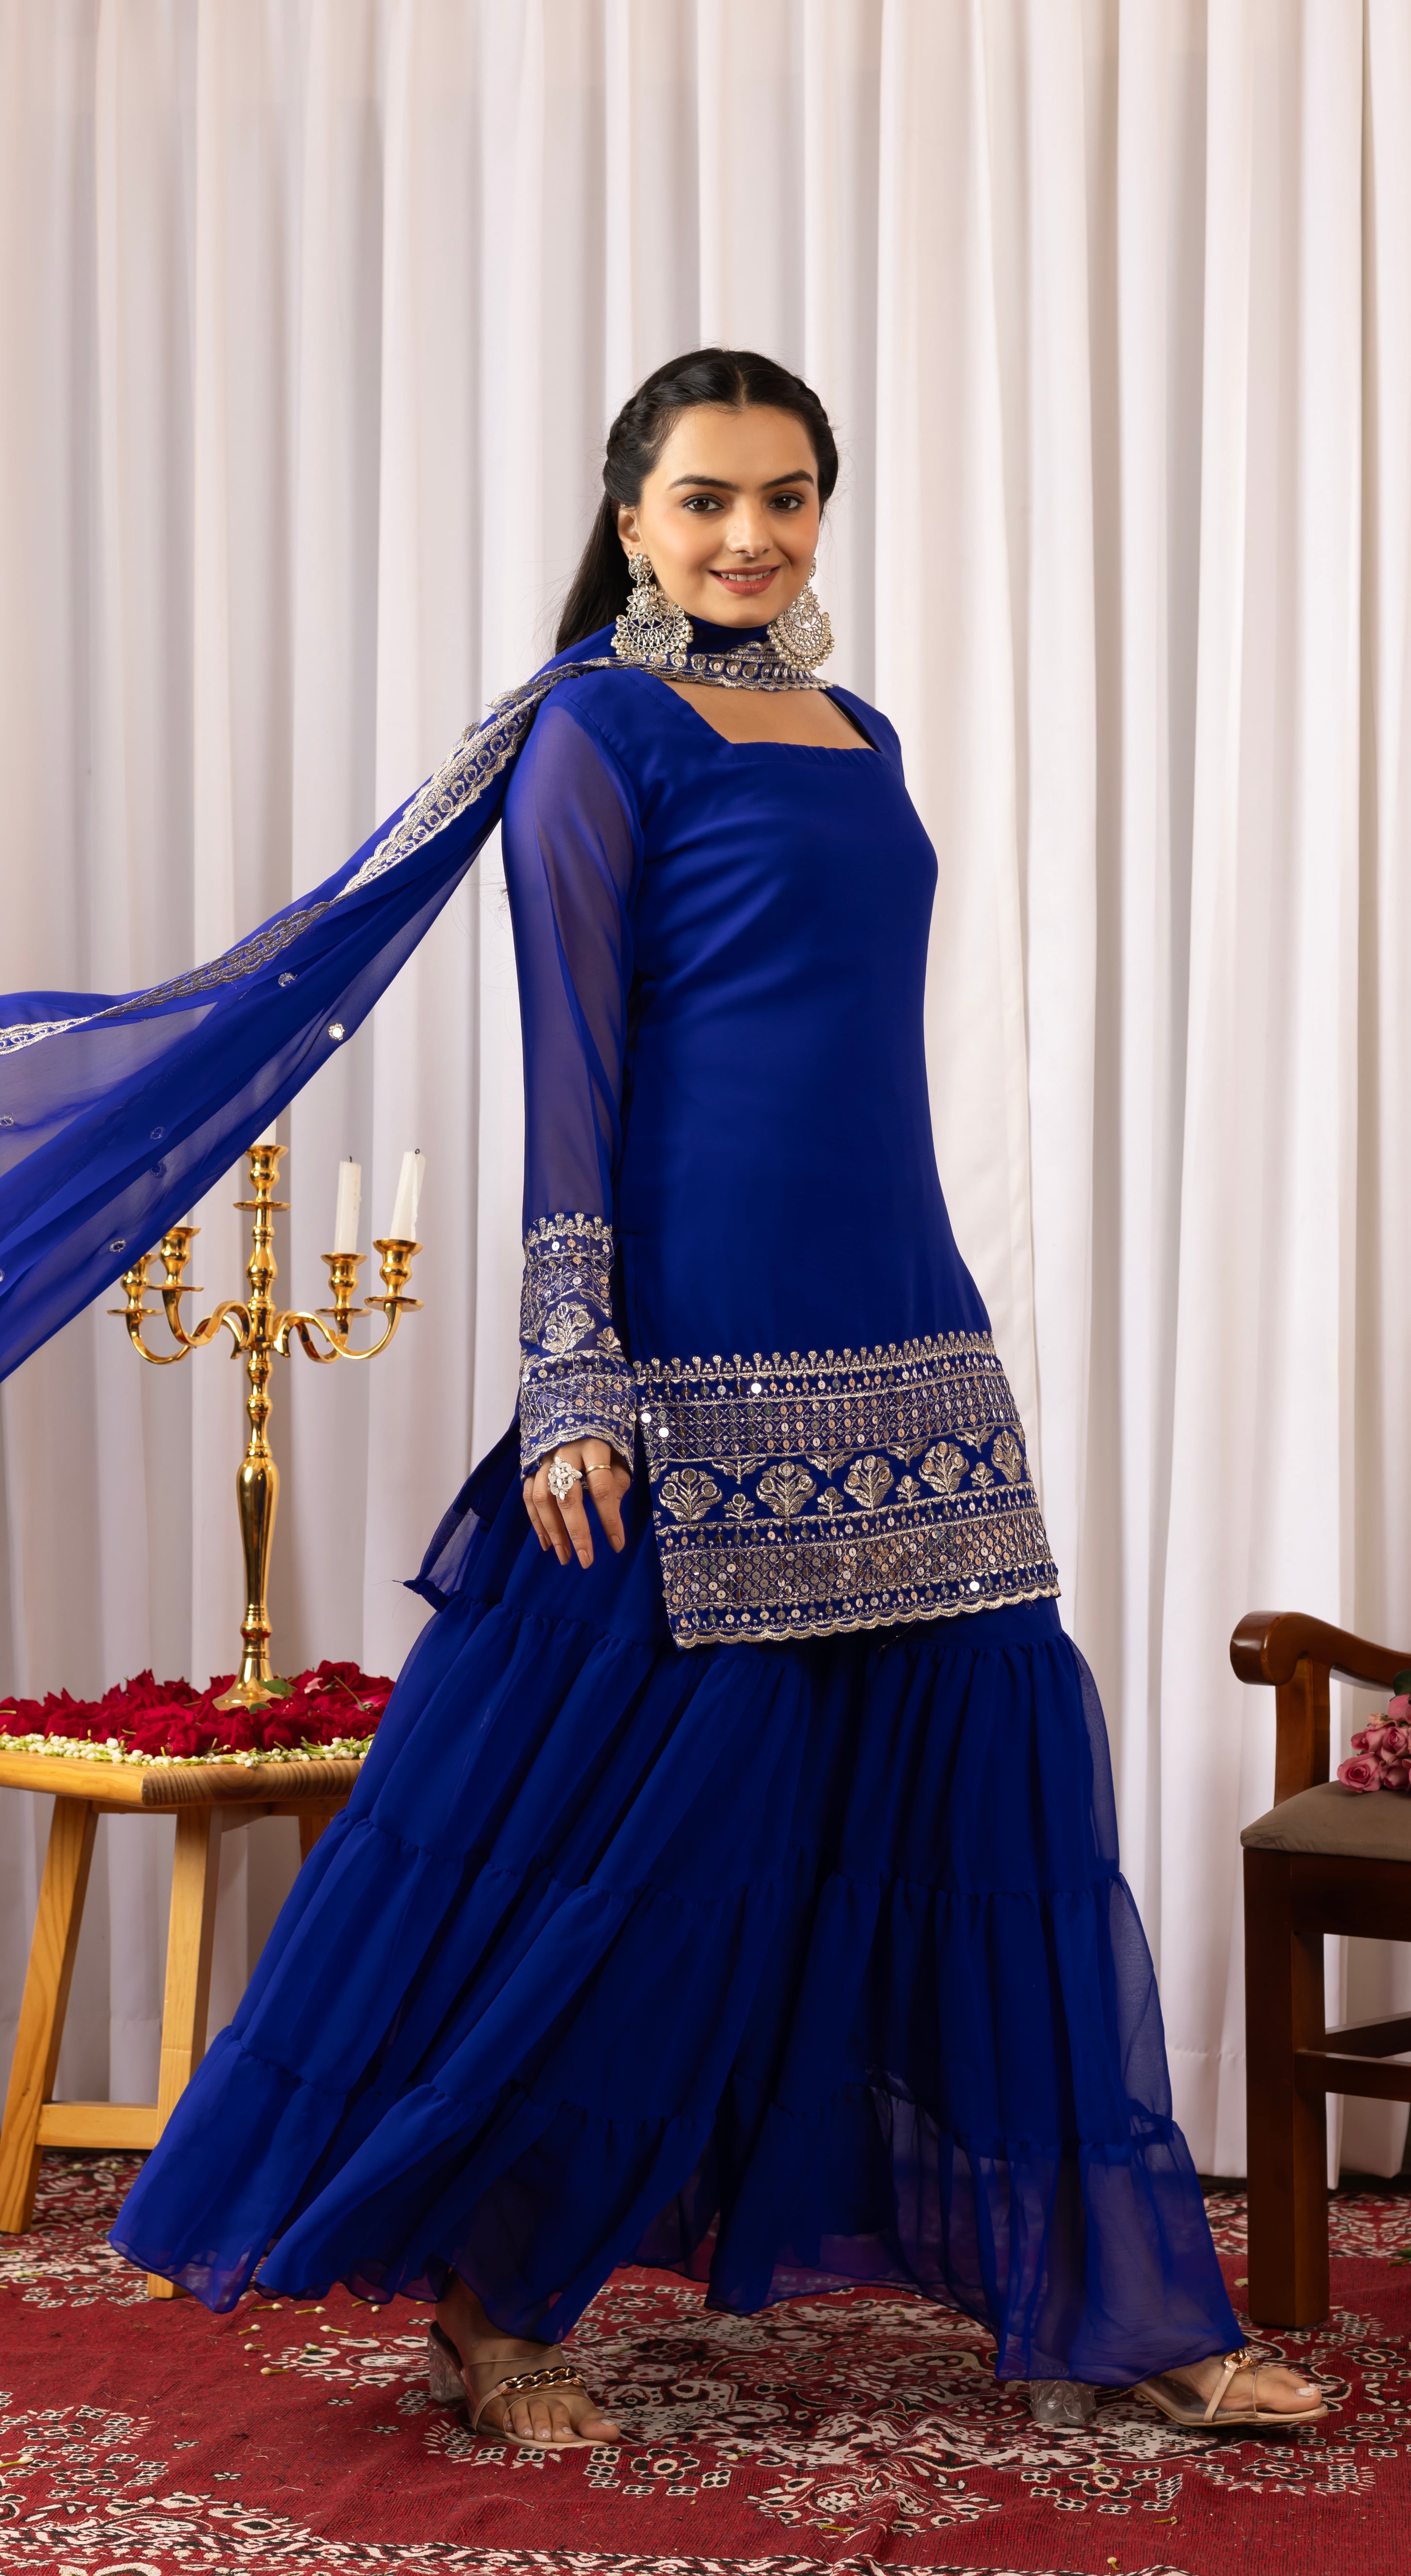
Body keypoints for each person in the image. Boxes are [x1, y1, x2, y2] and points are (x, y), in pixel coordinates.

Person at [108, 350, 1324, 2448]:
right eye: (703, 500)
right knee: (630, 1842)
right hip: (686, 1336)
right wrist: (572, 1374)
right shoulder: (594, 733)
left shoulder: (864, 733)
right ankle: (496, 2312)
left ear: (822, 510)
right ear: (630, 514)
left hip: (904, 1316)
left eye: (785, 496)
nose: (749, 534)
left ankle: (1124, 2305)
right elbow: (573, 1065)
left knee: (994, 1792)